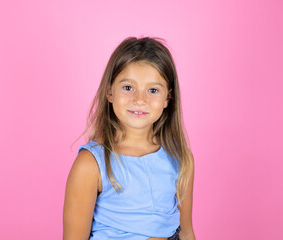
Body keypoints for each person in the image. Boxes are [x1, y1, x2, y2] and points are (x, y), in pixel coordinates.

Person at [63, 36, 196, 240]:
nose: (140, 100)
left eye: (153, 90)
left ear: (167, 98)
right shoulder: (90, 165)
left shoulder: (180, 158)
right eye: (128, 87)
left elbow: (186, 232)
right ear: (109, 92)